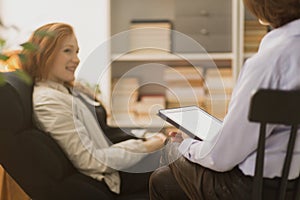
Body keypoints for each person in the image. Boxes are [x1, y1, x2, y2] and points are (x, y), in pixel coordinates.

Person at [149, 0, 300, 199]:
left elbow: (221, 158)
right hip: (292, 185)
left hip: (250, 188)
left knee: (171, 149)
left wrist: (185, 144)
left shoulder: (269, 61)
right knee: (163, 180)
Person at [20, 22, 166, 198]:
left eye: (77, 52)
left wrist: (144, 142)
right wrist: (145, 147)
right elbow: (91, 160)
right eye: (67, 51)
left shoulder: (66, 88)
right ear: (45, 54)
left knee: (185, 152)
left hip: (120, 164)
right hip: (114, 176)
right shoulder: (48, 102)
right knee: (187, 166)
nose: (77, 59)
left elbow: (103, 133)